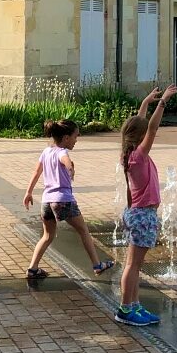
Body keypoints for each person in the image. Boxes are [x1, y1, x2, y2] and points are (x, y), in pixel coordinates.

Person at [115, 85, 177, 326]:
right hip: (142, 215)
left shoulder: (128, 153)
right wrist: (162, 101)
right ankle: (125, 309)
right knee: (132, 265)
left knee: (135, 265)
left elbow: (139, 125)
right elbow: (150, 127)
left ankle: (134, 305)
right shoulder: (139, 155)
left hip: (137, 213)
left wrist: (145, 103)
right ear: (141, 138)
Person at [24, 119, 115, 279]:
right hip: (63, 200)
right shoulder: (62, 152)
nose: (76, 140)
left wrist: (29, 192)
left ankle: (32, 268)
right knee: (84, 231)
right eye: (75, 136)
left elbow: (36, 172)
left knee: (47, 236)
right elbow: (66, 161)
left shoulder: (46, 152)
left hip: (46, 201)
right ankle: (97, 265)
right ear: (66, 138)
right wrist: (71, 168)